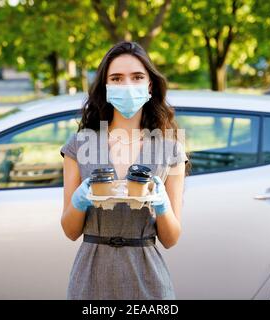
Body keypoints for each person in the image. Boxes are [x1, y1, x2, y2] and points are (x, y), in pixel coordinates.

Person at [60, 41, 189, 299]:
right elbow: (70, 231)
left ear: (150, 85)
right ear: (106, 87)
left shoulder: (170, 149)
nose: (127, 86)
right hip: (91, 278)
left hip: (147, 280)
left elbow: (171, 238)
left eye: (137, 77)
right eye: (117, 78)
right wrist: (80, 201)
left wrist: (161, 205)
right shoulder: (80, 144)